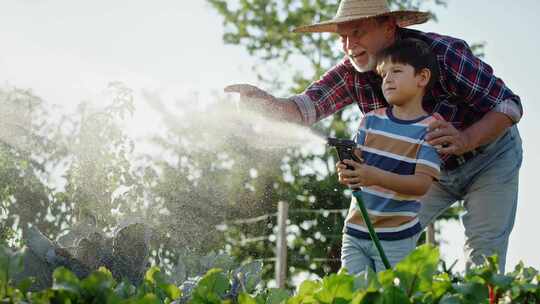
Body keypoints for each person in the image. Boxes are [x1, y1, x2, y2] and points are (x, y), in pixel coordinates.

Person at [225, 0, 523, 272]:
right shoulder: (351, 73)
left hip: (489, 159)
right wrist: (269, 104)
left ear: (389, 27)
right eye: (342, 37)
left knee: (484, 255)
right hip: (428, 172)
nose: (349, 45)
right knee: (379, 237)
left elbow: (508, 105)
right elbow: (305, 108)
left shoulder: (443, 55)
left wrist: (466, 139)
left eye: (358, 32)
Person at [336, 38, 442, 273]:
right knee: (353, 295)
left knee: (393, 296)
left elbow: (421, 185)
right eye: (384, 75)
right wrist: (348, 172)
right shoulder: (370, 120)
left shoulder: (431, 130)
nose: (388, 80)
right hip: (354, 231)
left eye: (396, 71)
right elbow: (359, 171)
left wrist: (373, 176)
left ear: (421, 78)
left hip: (397, 238)